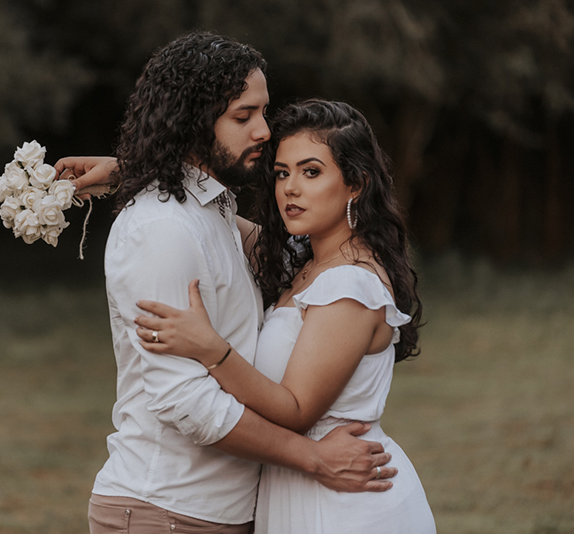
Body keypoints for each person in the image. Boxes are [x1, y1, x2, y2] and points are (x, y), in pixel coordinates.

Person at [54, 33, 395, 534]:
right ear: (194, 121)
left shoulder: (216, 213)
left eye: (263, 111)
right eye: (243, 117)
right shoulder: (162, 229)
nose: (263, 131)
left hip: (219, 511)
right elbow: (183, 401)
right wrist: (313, 458)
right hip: (168, 509)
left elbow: (314, 255)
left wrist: (133, 170)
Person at [132, 99, 436, 533]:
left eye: (311, 172)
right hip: (305, 486)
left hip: (344, 502)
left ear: (355, 184)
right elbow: (213, 216)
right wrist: (126, 174)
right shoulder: (307, 261)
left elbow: (296, 410)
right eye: (282, 172)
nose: (290, 188)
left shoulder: (348, 285)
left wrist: (209, 349)